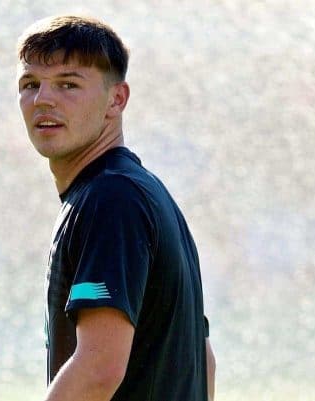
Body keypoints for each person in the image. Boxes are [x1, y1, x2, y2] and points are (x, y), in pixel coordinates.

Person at [16, 15, 216, 401]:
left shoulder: (111, 199)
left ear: (116, 99)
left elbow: (98, 369)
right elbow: (204, 362)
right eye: (30, 84)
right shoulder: (144, 192)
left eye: (68, 84)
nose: (43, 99)